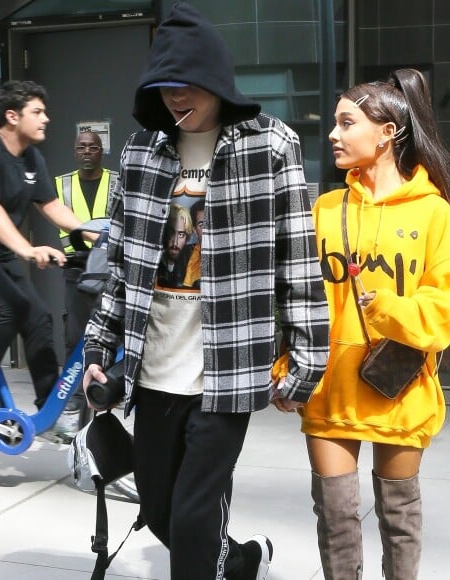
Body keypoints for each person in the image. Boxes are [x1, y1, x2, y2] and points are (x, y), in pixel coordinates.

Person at [82, 3, 330, 580]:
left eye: (187, 84)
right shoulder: (142, 151)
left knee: (194, 518)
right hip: (153, 368)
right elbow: (120, 262)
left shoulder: (269, 145)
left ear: (217, 79)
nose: (175, 97)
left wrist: (306, 364)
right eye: (164, 86)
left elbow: (298, 258)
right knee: (160, 508)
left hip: (226, 369)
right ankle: (242, 561)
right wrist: (98, 349)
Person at [297, 69, 450, 579]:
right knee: (336, 520)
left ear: (387, 131)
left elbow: (449, 305)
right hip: (330, 387)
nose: (333, 134)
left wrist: (386, 307)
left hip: (400, 386)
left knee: (399, 520)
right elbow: (299, 298)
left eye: (347, 123)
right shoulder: (326, 210)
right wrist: (288, 362)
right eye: (334, 124)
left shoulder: (432, 212)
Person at [0, 80, 90, 411]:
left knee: (39, 317)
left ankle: (51, 406)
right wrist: (27, 249)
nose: (45, 118)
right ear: (12, 116)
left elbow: (51, 206)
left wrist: (96, 233)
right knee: (11, 309)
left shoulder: (32, 158)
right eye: (37, 111)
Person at [55, 130, 118, 414]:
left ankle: (110, 390)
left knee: (112, 332)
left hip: (109, 266)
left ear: (101, 150)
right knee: (75, 335)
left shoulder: (117, 181)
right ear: (75, 151)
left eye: (93, 147)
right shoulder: (61, 184)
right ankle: (74, 398)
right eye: (82, 147)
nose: (87, 152)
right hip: (76, 267)